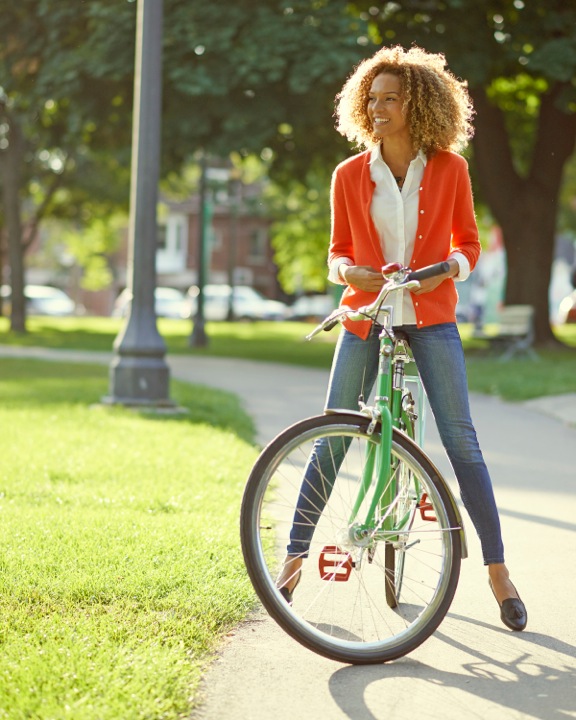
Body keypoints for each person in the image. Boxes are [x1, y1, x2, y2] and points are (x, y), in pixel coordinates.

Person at [276, 45, 527, 632]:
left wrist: (446, 269)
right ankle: (291, 563)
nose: (380, 106)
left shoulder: (450, 169)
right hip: (368, 313)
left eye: (391, 97)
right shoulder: (347, 175)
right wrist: (350, 274)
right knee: (332, 434)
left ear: (418, 103)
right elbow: (337, 253)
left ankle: (497, 572)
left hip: (432, 314)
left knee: (462, 442)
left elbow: (468, 243)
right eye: (373, 98)